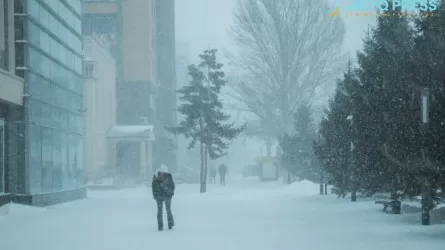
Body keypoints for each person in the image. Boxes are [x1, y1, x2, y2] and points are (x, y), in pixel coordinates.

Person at [152, 164, 175, 231]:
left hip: (167, 196)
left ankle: (170, 225)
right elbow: (154, 187)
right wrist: (157, 195)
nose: (164, 174)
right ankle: (160, 226)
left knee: (168, 210)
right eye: (163, 172)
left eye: (165, 172)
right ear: (160, 171)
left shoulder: (169, 176)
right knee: (160, 211)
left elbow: (172, 186)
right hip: (160, 197)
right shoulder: (156, 177)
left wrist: (169, 192)